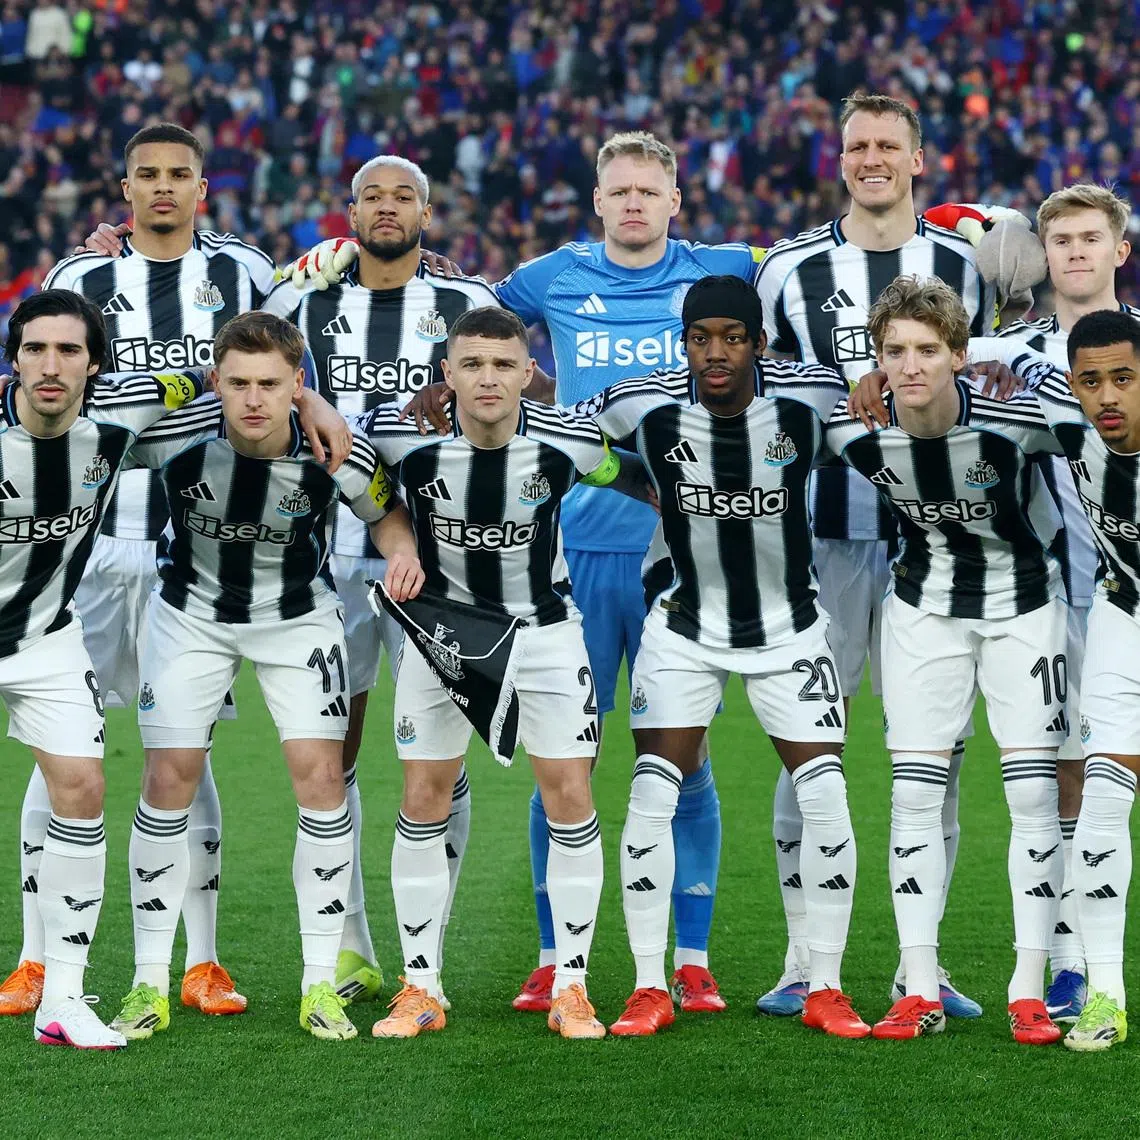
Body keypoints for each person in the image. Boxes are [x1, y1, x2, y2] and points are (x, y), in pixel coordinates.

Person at [289, 132, 761, 1012]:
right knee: (533, 785)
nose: (632, 203)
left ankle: (686, 960)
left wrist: (685, 510)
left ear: (675, 198)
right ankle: (547, 961)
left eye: (647, 191)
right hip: (561, 554)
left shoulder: (728, 265)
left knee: (679, 761)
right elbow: (459, 313)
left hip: (661, 565)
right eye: (616, 189)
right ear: (595, 198)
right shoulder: (546, 278)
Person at [0, 122, 277, 1020]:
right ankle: (35, 958)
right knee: (63, 750)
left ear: (204, 186)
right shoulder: (82, 279)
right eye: (147, 176)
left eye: (179, 176)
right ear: (124, 189)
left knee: (179, 753)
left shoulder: (244, 273)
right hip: (78, 548)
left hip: (188, 550)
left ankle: (202, 960)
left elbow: (280, 360)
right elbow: (43, 379)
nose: (163, 189)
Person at [106, 311, 414, 1043]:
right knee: (168, 776)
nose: (252, 399)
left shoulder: (335, 448)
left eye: (271, 384)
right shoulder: (176, 438)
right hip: (190, 616)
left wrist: (400, 549)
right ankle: (150, 979)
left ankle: (319, 985)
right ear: (215, 381)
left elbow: (386, 515)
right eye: (237, 382)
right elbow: (95, 422)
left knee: (321, 779)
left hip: (298, 618)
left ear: (297, 384)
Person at [577, 275, 868, 1039]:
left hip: (792, 630)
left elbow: (881, 407)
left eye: (732, 338)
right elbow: (573, 439)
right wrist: (643, 486)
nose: (716, 353)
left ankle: (825, 983)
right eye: (701, 337)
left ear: (758, 343)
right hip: (683, 629)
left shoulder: (809, 402)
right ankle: (648, 985)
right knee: (650, 795)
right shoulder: (642, 405)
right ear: (684, 343)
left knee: (826, 797)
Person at [753, 92, 993, 1018]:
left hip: (945, 539)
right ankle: (798, 960)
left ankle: (917, 970)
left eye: (890, 144)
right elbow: (768, 386)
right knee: (808, 748)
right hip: (828, 535)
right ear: (839, 157)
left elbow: (997, 362)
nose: (873, 159)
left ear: (920, 159)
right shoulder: (792, 270)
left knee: (939, 757)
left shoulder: (969, 265)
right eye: (858, 145)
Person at [360, 306, 647, 1040]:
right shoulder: (401, 439)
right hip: (443, 636)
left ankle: (572, 987)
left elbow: (644, 481)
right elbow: (363, 491)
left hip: (546, 636)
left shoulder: (573, 442)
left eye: (503, 365)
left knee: (571, 794)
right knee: (423, 795)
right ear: (447, 375)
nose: (488, 379)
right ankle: (420, 987)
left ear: (529, 375)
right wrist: (397, 540)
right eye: (472, 365)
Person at [262, 155, 502, 1003]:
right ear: (349, 211)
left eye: (404, 197)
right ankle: (356, 946)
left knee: (441, 762)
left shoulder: (466, 305)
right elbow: (243, 360)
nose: (388, 208)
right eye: (373, 196)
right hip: (325, 558)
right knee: (337, 755)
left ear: (428, 215)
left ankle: (424, 949)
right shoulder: (302, 301)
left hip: (441, 560)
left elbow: (511, 394)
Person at [826, 275, 1067, 1044]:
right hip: (922, 612)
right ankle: (918, 986)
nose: (911, 365)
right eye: (894, 351)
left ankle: (1027, 989)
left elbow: (1099, 428)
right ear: (877, 360)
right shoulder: (851, 428)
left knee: (1032, 800)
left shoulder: (1016, 419)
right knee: (914, 797)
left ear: (960, 354)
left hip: (1026, 610)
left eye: (929, 350)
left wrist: (1016, 361)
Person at [0, 289, 214, 1048]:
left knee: (84, 788)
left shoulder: (120, 418)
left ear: (95, 364)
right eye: (33, 349)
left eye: (68, 351)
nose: (50, 366)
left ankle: (61, 997)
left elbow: (203, 381)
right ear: (13, 359)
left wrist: (315, 411)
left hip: (44, 637)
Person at [995, 184, 1138, 1024]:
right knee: (1070, 776)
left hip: (1117, 579)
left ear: (1120, 249)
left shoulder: (1132, 344)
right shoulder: (1010, 353)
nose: (1076, 252)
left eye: (1092, 238)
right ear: (1042, 255)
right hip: (1064, 590)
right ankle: (1074, 964)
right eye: (1061, 241)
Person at [1031, 309, 1140, 1051]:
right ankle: (1105, 996)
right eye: (1091, 380)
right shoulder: (1062, 420)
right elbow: (958, 365)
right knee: (1101, 797)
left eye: (1125, 378)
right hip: (1122, 617)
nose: (1107, 397)